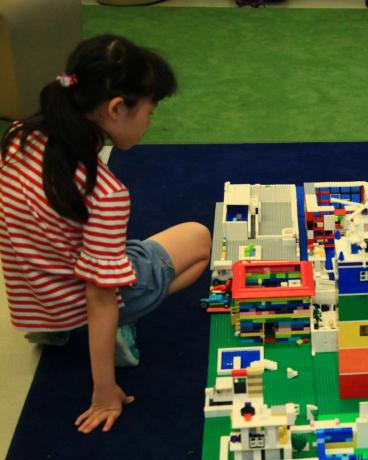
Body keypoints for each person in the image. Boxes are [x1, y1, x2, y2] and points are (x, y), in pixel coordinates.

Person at [0, 34, 211, 433]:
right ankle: (120, 326)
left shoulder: (18, 136)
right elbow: (100, 297)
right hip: (78, 304)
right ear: (116, 109)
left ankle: (61, 327)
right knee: (199, 240)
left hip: (33, 299)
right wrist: (105, 391)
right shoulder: (105, 192)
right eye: (150, 111)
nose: (150, 121)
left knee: (109, 258)